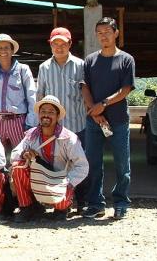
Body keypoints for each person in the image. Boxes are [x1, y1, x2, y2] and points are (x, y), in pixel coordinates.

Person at [81, 17, 135, 220]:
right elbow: (84, 86)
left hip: (118, 120)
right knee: (93, 163)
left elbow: (125, 89)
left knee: (122, 163)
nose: (103, 36)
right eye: (100, 32)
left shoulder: (126, 59)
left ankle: (121, 202)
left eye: (107, 32)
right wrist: (94, 111)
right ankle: (95, 203)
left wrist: (102, 105)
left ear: (116, 33)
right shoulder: (91, 60)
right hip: (95, 121)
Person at [11, 95, 89, 222]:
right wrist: (24, 154)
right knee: (17, 166)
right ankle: (27, 207)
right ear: (38, 114)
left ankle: (61, 209)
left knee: (61, 204)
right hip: (37, 180)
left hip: (60, 181)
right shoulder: (31, 135)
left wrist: (68, 183)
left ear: (58, 116)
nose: (46, 115)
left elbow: (82, 166)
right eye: (43, 112)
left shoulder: (69, 138)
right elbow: (14, 154)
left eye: (51, 112)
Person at [37, 27, 89, 212]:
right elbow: (40, 95)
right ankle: (59, 202)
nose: (59, 47)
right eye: (55, 43)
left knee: (79, 163)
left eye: (63, 43)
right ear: (50, 45)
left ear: (70, 44)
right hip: (54, 128)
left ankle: (82, 202)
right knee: (57, 164)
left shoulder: (81, 65)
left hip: (77, 124)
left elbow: (86, 94)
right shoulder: (44, 67)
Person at [0, 33, 37, 151]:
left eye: (6, 48)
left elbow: (32, 96)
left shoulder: (22, 69)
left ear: (12, 50)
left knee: (22, 155)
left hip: (18, 121)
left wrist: (31, 122)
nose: (3, 51)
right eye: (0, 48)